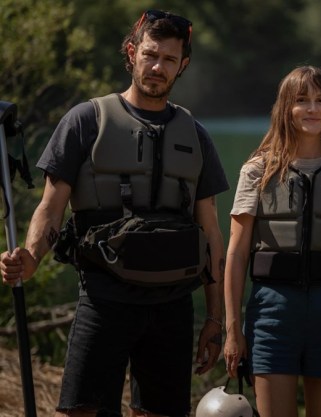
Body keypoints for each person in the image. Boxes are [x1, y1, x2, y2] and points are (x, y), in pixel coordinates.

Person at [0, 9, 229, 417]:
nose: (158, 67)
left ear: (183, 66)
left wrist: (215, 317)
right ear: (132, 52)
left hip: (173, 302)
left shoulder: (196, 135)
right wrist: (31, 258)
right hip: (105, 297)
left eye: (169, 59)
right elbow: (50, 209)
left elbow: (210, 231)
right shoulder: (85, 121)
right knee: (81, 410)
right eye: (150, 55)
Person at [223, 66, 321, 417]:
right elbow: (235, 255)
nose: (313, 109)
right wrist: (233, 330)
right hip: (272, 314)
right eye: (302, 100)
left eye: (320, 100)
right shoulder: (257, 170)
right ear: (285, 109)